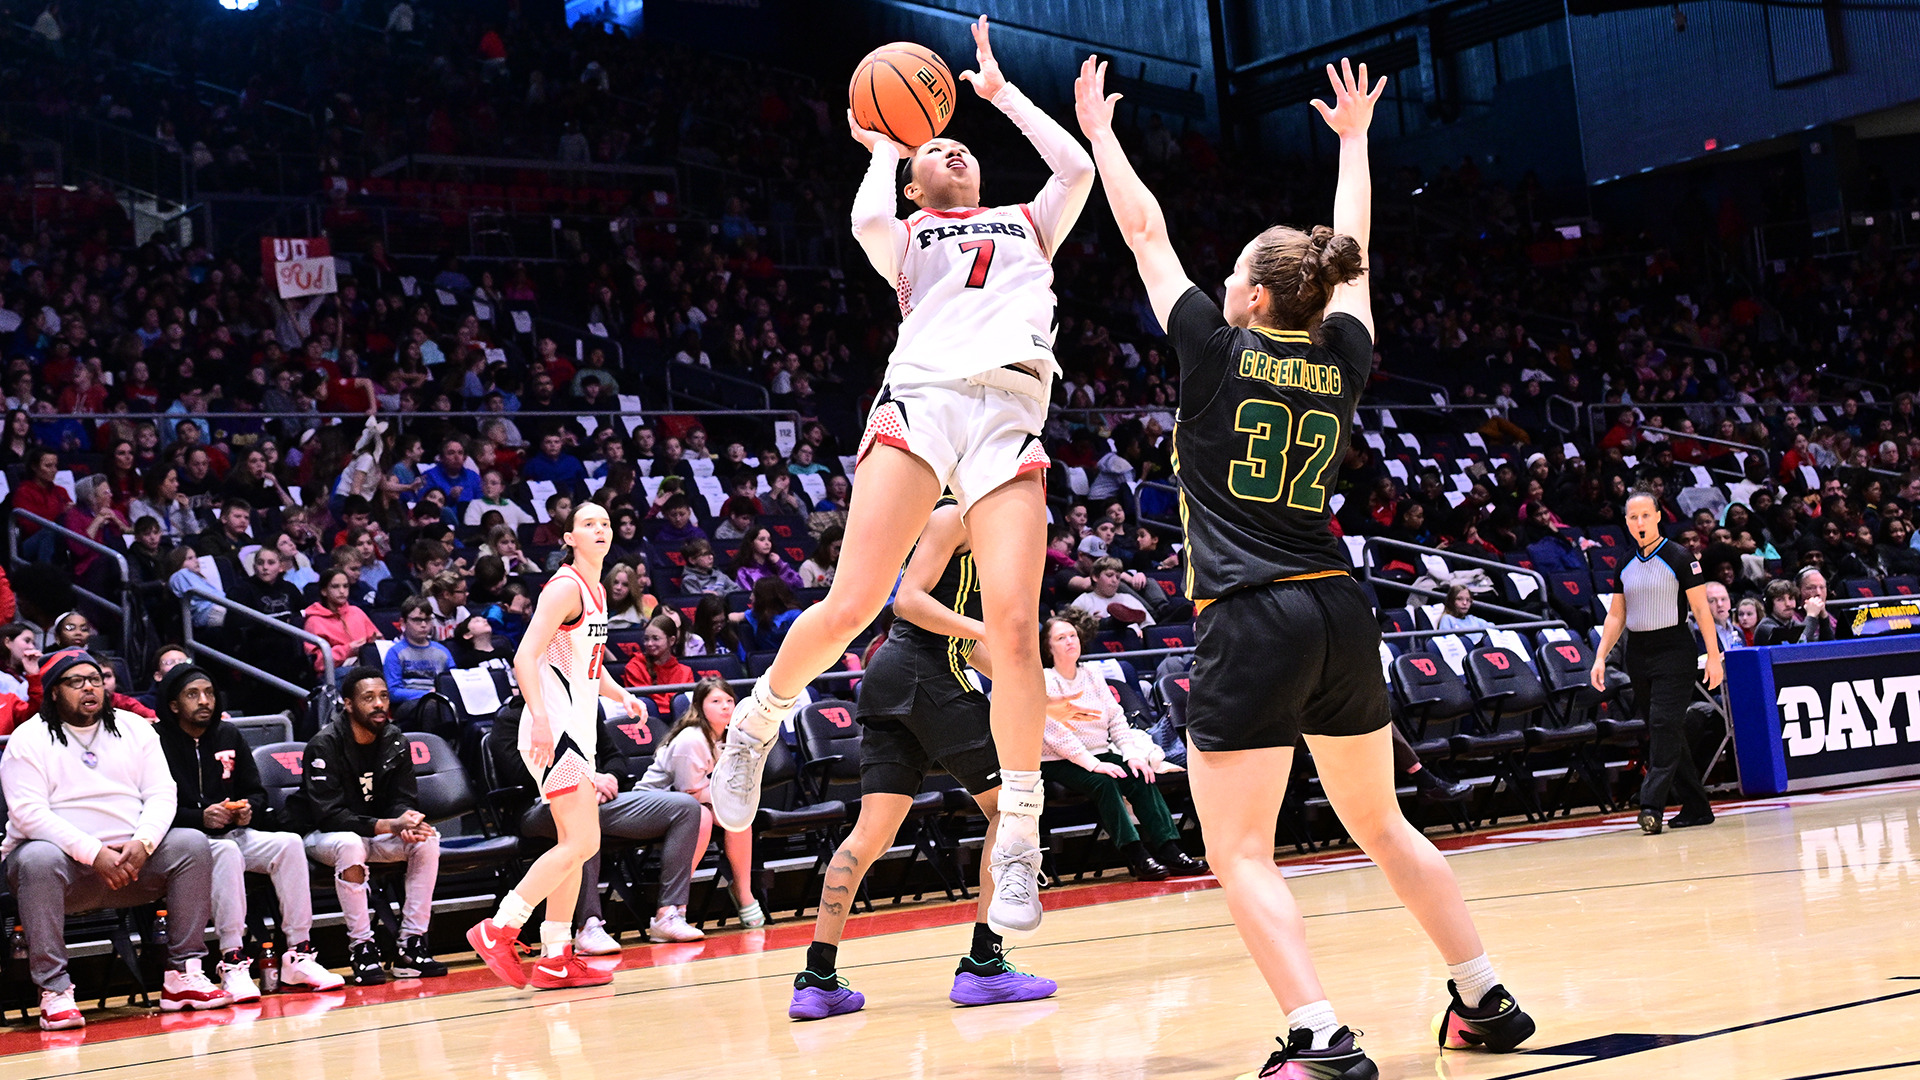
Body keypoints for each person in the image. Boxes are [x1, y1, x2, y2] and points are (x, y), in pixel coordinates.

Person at [1077, 56, 1533, 1075]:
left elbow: (1145, 233)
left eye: (1233, 273)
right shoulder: (1343, 357)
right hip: (1339, 608)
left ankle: (1318, 1035)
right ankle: (1484, 996)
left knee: (1239, 849)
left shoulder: (1209, 346)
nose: (1222, 283)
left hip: (1250, 613)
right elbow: (1358, 262)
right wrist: (1357, 142)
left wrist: (1102, 136)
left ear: (1246, 295)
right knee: (1381, 822)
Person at [711, 16, 1093, 941]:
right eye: (941, 150)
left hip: (1009, 416)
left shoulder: (1030, 222)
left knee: (1012, 627)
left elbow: (1075, 168)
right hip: (922, 403)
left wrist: (1002, 97)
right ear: (919, 178)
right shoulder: (908, 234)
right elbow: (866, 217)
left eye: (964, 148)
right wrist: (885, 147)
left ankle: (1018, 844)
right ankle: (758, 722)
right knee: (851, 602)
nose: (956, 152)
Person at [790, 502, 1056, 1020]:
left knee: (871, 834)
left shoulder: (992, 529)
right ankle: (985, 966)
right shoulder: (952, 517)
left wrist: (1036, 689)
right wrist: (987, 633)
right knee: (1010, 809)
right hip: (924, 674)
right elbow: (907, 602)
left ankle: (817, 977)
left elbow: (964, 642)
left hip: (898, 680)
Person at [468, 502, 648, 991]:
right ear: (568, 537)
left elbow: (588, 662)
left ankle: (554, 956)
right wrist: (542, 720)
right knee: (583, 842)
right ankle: (499, 928)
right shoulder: (565, 587)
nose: (601, 530)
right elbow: (524, 655)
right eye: (588, 524)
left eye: (607, 523)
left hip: (577, 735)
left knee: (576, 845)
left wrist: (622, 695)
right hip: (555, 734)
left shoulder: (595, 590)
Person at [2, 650, 232, 1028]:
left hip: (134, 863)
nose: (89, 688)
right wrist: (94, 854)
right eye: (76, 682)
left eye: (94, 679)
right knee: (36, 858)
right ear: (55, 692)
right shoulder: (29, 739)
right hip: (67, 870)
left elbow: (162, 793)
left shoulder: (135, 727)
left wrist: (143, 844)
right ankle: (55, 991)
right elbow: (29, 814)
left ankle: (182, 976)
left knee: (191, 844)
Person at [155, 663, 345, 1001]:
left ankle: (299, 954)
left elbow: (256, 792)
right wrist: (199, 818)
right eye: (193, 694)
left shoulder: (228, 734)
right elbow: (151, 809)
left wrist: (247, 811)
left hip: (231, 833)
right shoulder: (155, 742)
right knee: (226, 853)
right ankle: (233, 962)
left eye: (210, 693)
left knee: (287, 844)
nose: (204, 701)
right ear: (173, 705)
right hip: (185, 841)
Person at [487, 702, 708, 949]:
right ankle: (588, 926)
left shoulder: (578, 708)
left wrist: (610, 778)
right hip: (539, 806)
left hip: (600, 798)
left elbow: (614, 756)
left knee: (685, 807)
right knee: (581, 824)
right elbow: (519, 773)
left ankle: (668, 913)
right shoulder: (511, 719)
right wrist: (586, 780)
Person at [282, 666, 448, 986]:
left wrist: (408, 821)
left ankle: (411, 945)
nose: (379, 704)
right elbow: (329, 815)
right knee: (349, 843)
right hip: (323, 836)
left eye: (383, 696)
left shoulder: (395, 739)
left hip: (375, 833)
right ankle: (362, 946)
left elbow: (402, 798)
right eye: (368, 698)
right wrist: (389, 824)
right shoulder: (324, 744)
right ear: (348, 704)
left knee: (427, 839)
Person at [1592, 491, 1723, 835]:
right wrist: (1600, 656)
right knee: (1666, 730)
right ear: (1626, 523)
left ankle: (1651, 804)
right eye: (1633, 518)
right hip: (1639, 652)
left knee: (1665, 723)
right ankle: (1696, 806)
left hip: (1675, 650)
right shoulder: (1624, 563)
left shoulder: (1680, 557)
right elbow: (1616, 616)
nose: (1640, 523)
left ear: (1657, 517)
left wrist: (1712, 656)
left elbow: (1701, 611)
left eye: (1645, 516)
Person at [1041, 615, 1201, 880]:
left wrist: (1132, 755)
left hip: (1101, 752)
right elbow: (1056, 735)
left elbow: (1116, 718)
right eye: (1061, 638)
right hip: (1058, 761)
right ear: (1048, 648)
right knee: (1103, 782)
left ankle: (1169, 848)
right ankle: (1136, 854)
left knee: (1139, 774)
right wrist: (1094, 764)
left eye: (1072, 635)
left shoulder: (1091, 673)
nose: (1070, 641)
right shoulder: (1045, 680)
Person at [639, 679, 764, 928]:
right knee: (702, 817)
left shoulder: (733, 737)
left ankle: (742, 890)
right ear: (699, 706)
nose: (725, 707)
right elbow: (688, 793)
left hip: (694, 803)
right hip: (651, 805)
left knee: (738, 818)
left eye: (729, 701)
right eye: (716, 701)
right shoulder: (692, 739)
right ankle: (675, 904)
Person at [384, 596, 457, 728]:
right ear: (404, 622)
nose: (423, 625)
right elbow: (393, 692)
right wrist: (428, 694)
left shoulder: (442, 651)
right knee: (430, 705)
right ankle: (431, 746)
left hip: (439, 699)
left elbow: (454, 681)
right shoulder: (395, 653)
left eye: (427, 620)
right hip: (407, 704)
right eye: (417, 620)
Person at [304, 568, 383, 676]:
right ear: (324, 591)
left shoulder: (356, 612)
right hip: (334, 672)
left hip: (363, 665)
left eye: (345, 586)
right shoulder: (314, 621)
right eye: (335, 586)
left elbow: (380, 641)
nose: (342, 591)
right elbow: (318, 663)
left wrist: (374, 642)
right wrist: (348, 650)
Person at [622, 614, 694, 713]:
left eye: (655, 638)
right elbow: (645, 704)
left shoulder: (685, 672)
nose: (649, 644)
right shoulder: (634, 667)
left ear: (672, 640)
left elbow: (687, 706)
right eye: (646, 639)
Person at [1699, 581, 1743, 653]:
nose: (1720, 604)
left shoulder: (1738, 632)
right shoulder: (1699, 634)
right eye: (1712, 601)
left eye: (1723, 599)